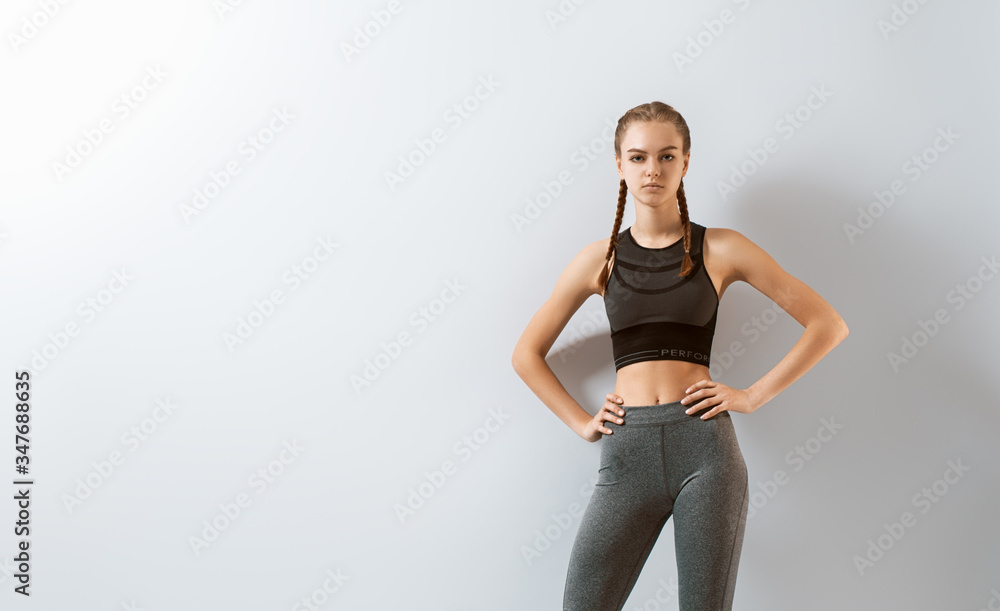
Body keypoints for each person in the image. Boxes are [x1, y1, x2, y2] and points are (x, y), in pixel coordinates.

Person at [510, 101, 849, 610]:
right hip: (627, 453)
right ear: (619, 166)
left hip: (705, 452)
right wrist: (583, 423)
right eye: (639, 157)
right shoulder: (597, 260)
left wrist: (753, 396)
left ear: (685, 162)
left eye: (667, 156)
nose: (653, 170)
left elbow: (828, 323)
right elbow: (526, 354)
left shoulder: (721, 249)